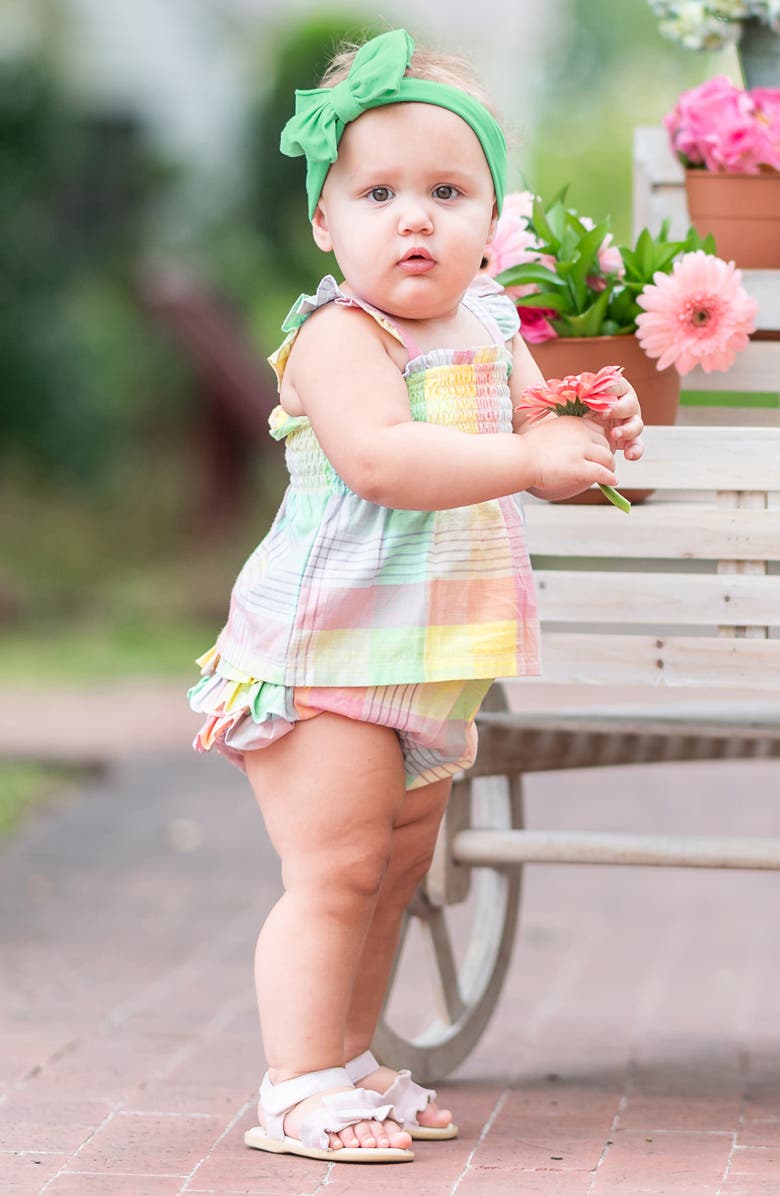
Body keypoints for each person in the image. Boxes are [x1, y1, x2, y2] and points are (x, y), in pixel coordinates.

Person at [188, 28, 643, 1165]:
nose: (415, 218)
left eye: (448, 191)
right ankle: (293, 1083)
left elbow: (537, 443)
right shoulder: (340, 336)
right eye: (379, 191)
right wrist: (529, 461)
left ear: (493, 219)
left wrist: (589, 437)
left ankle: (347, 1061)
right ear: (323, 222)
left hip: (434, 657)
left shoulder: (490, 325)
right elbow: (387, 460)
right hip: (330, 653)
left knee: (394, 875)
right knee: (333, 871)